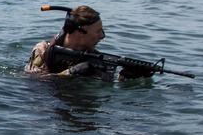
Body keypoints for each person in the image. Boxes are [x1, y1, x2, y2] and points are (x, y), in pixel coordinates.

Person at [25, 5, 153, 80]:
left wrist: (125, 78)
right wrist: (71, 73)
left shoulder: (92, 56)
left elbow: (102, 84)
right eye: (98, 31)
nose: (102, 36)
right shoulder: (43, 50)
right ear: (82, 32)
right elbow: (35, 82)